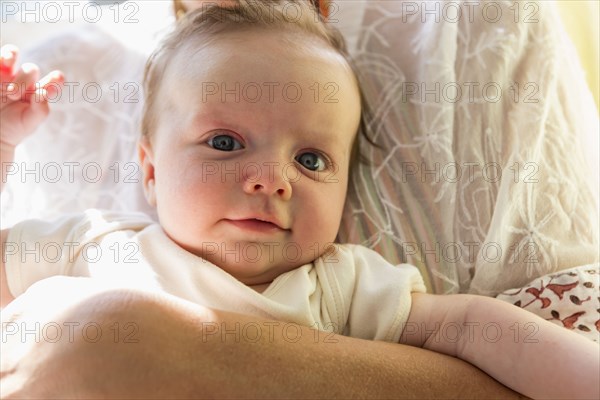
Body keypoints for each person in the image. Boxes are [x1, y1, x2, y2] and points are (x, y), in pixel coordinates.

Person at [1, 2, 598, 399]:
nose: (270, 179)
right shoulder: (98, 244)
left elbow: (471, 325)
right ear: (150, 171)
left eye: (310, 161)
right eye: (225, 142)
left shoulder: (337, 286)